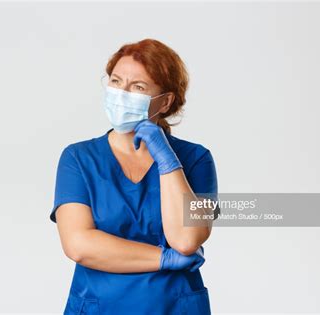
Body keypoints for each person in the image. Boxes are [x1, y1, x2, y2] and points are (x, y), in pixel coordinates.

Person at [49, 38, 218, 314]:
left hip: (173, 306)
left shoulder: (196, 160)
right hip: (100, 307)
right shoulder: (78, 159)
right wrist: (164, 259)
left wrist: (167, 160)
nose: (121, 93)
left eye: (138, 87)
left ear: (164, 102)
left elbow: (186, 239)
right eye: (116, 82)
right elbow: (79, 244)